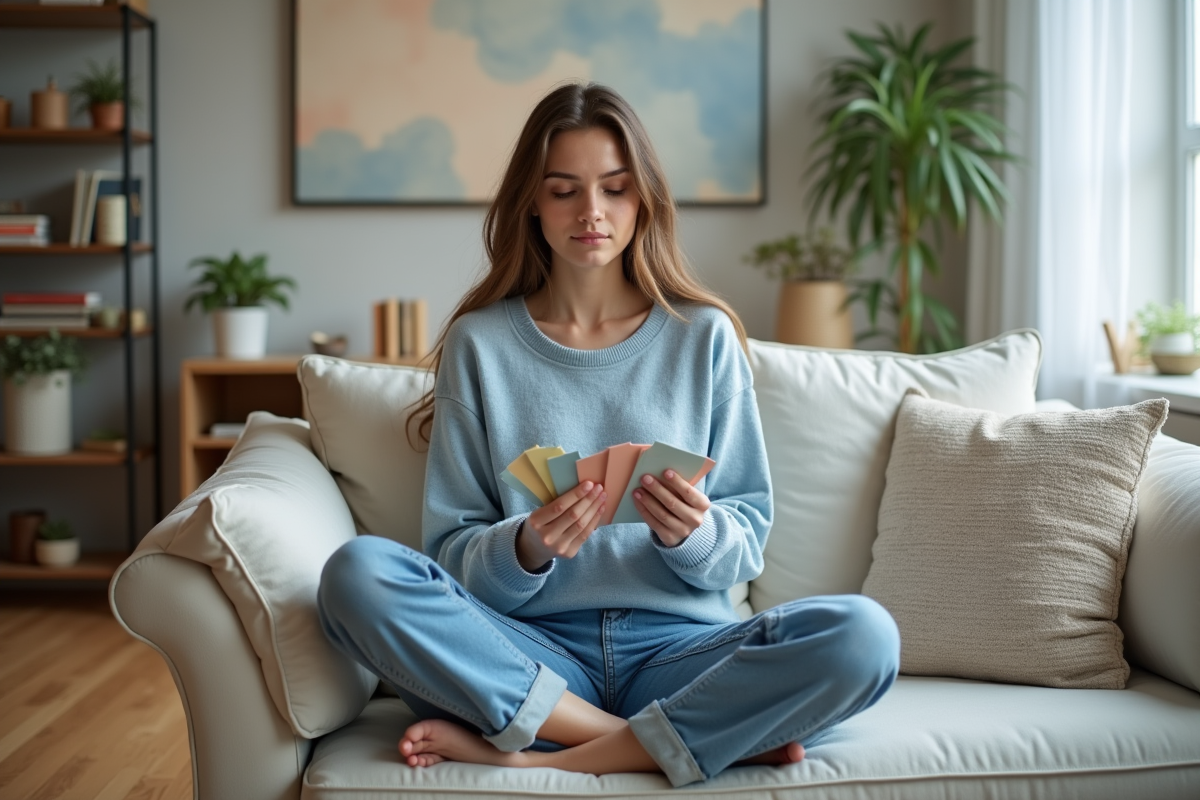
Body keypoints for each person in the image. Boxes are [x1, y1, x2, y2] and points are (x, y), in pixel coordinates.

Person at [317, 82, 899, 788]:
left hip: (683, 653)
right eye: (564, 190)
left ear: (642, 199)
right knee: (357, 576)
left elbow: (747, 537)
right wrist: (526, 545)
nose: (591, 212)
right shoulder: (481, 345)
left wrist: (696, 534)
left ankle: (543, 748)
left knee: (864, 637)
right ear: (532, 201)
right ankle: (651, 742)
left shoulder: (704, 338)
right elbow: (451, 551)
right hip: (532, 656)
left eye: (614, 189)